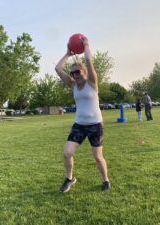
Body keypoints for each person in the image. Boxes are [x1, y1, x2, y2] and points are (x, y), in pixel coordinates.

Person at [55, 36, 110, 193]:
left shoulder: (92, 83)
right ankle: (70, 178)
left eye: (77, 72)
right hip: (79, 125)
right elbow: (58, 69)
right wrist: (67, 54)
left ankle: (106, 180)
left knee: (98, 157)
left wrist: (86, 45)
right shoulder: (72, 85)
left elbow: (89, 61)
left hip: (95, 125)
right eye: (72, 73)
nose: (74, 75)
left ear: (84, 72)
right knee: (67, 153)